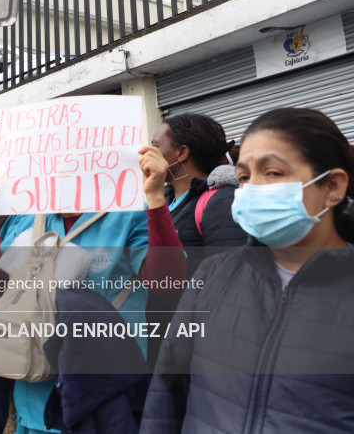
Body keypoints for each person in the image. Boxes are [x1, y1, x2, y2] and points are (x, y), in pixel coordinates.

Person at [140, 107, 354, 434]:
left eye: (272, 173)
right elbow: (166, 394)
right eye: (243, 177)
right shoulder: (214, 275)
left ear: (333, 186)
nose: (252, 189)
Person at [0, 172, 187, 434]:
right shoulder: (27, 216)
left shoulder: (129, 214)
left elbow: (168, 283)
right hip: (32, 391)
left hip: (102, 393)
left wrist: (155, 199)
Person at [139, 114, 248, 365]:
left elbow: (230, 287)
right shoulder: (162, 201)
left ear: (182, 153)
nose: (147, 151)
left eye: (156, 145)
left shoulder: (220, 202)